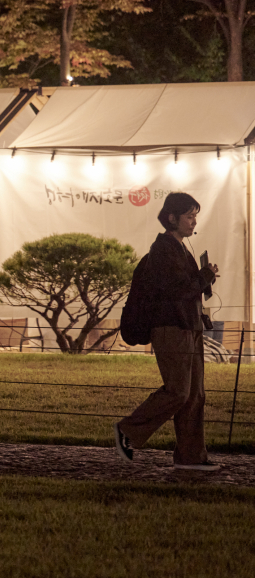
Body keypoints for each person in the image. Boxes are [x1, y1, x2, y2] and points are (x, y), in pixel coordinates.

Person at [113, 192, 222, 471]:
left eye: (195, 215)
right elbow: (178, 290)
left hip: (189, 326)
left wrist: (203, 276)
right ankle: (128, 430)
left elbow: (186, 287)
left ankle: (191, 457)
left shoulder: (179, 248)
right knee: (178, 392)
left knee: (195, 395)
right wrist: (205, 276)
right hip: (171, 328)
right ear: (172, 218)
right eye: (189, 216)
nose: (193, 221)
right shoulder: (163, 250)